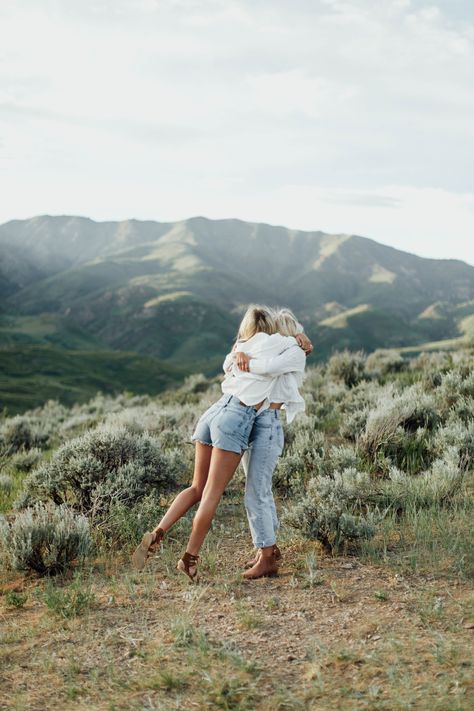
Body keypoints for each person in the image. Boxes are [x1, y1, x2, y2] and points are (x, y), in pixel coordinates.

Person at [131, 304, 312, 582]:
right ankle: (191, 557)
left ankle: (159, 532)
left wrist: (248, 355)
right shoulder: (274, 346)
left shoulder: (264, 347)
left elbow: (235, 363)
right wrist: (292, 342)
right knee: (215, 493)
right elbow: (247, 362)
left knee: (207, 488)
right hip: (239, 418)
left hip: (219, 412)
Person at [236, 308, 308, 579]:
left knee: (256, 492)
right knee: (258, 490)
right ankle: (267, 548)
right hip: (254, 422)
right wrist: (237, 354)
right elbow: (241, 348)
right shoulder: (273, 349)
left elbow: (268, 368)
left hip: (267, 425)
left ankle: (267, 558)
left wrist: (243, 360)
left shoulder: (293, 353)